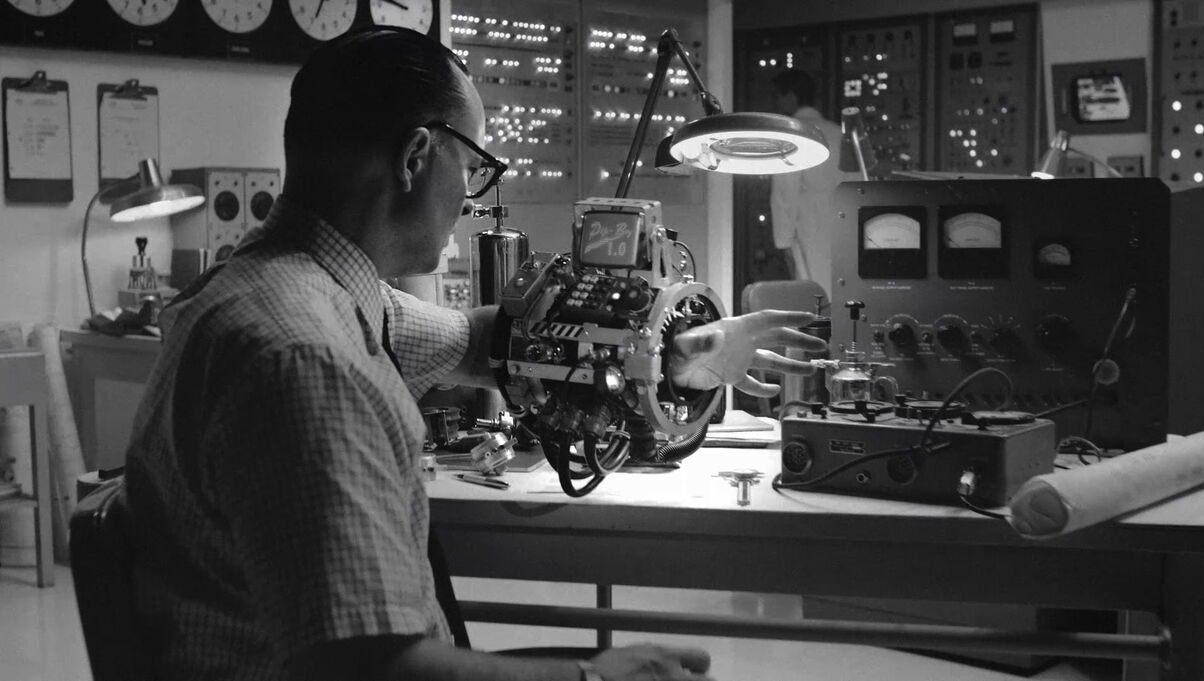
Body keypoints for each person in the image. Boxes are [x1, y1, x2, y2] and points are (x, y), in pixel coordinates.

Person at [124, 27, 824, 681]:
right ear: (415, 157)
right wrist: (589, 677)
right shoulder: (307, 359)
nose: (470, 195)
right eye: (474, 166)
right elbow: (366, 667)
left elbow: (489, 342)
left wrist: (674, 355)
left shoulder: (276, 289)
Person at [768, 68, 854, 300]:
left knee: (813, 299)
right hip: (845, 229)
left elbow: (785, 195)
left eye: (778, 95)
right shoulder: (840, 133)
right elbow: (858, 185)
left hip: (807, 228)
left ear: (792, 96)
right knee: (844, 296)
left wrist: (783, 242)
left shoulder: (791, 134)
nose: (776, 102)